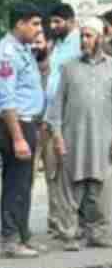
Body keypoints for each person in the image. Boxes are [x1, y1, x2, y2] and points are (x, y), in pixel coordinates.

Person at [44, 17, 112, 250]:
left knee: (99, 190)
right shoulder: (69, 68)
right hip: (73, 139)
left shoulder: (111, 67)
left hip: (103, 140)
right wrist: (57, 136)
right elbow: (56, 106)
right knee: (70, 190)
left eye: (89, 36)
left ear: (100, 38)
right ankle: (69, 235)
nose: (84, 40)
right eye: (82, 35)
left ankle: (98, 233)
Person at [0, 3, 46, 259]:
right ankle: (10, 240)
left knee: (24, 183)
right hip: (15, 124)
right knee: (15, 183)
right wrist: (18, 137)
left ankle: (22, 236)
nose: (39, 29)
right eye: (34, 24)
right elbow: (7, 99)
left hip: (27, 122)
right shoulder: (7, 54)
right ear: (19, 24)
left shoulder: (23, 49)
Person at [43, 3, 82, 238]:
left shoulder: (80, 43)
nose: (53, 26)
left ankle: (77, 224)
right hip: (51, 117)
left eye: (58, 22)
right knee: (53, 172)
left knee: (71, 171)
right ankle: (60, 222)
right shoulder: (56, 46)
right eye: (52, 22)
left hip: (70, 117)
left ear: (70, 21)